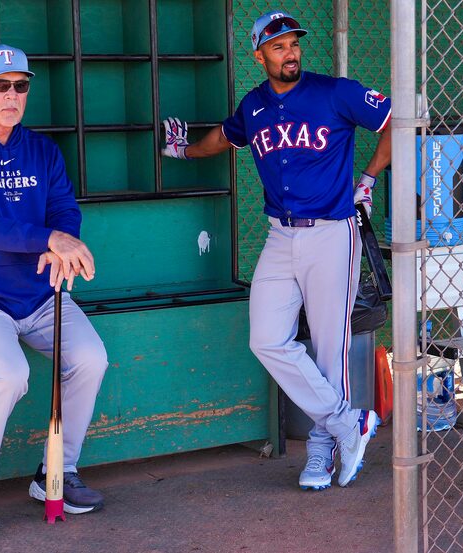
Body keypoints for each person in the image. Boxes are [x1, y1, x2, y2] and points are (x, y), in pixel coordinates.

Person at [162, 10, 391, 490]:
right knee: (266, 338)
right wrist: (182, 151)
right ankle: (349, 424)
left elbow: (397, 122)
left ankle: (320, 454)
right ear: (259, 54)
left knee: (330, 349)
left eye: (293, 44)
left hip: (332, 231)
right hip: (280, 235)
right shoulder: (255, 106)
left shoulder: (335, 91)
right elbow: (223, 138)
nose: (290, 53)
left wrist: (368, 178)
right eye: (278, 46)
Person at [0, 44, 108, 534]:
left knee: (92, 359)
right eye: (0, 85)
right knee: (8, 375)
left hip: (40, 292)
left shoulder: (42, 149)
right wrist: (46, 238)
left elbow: (64, 210)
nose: (12, 95)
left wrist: (61, 240)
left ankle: (56, 472)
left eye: (20, 85)